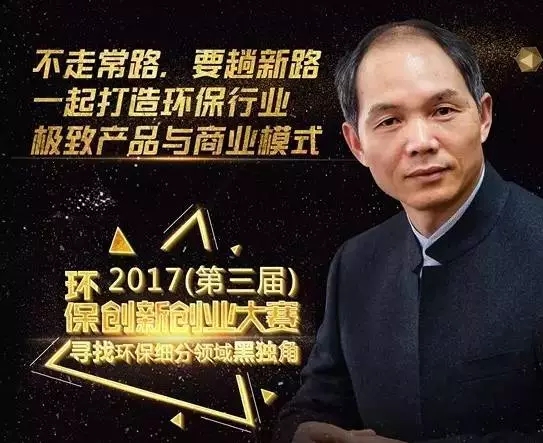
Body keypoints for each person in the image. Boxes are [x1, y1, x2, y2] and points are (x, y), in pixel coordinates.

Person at [271, 19, 543, 443]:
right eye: (389, 121)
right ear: (356, 144)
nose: (420, 142)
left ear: (484, 116)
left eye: (442, 110)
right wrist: (303, 432)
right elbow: (315, 404)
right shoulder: (356, 261)